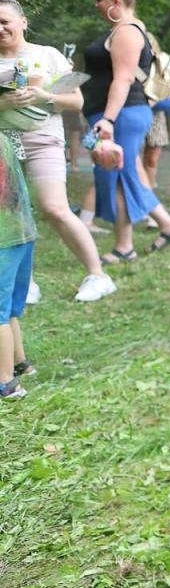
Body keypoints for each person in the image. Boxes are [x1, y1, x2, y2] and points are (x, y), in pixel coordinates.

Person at [0, 0, 116, 301]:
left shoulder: (47, 55)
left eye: (4, 21)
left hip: (42, 140)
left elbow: (75, 100)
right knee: (11, 217)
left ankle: (98, 275)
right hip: (2, 147)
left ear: (23, 22)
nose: (0, 28)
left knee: (54, 208)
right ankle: (27, 284)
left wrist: (44, 96)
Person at [83, 0, 170, 263]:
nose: (95, 6)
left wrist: (108, 120)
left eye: (98, 0)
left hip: (122, 114)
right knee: (124, 174)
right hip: (117, 114)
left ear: (116, 1)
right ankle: (167, 226)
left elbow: (124, 79)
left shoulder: (126, 31)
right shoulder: (122, 30)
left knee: (118, 177)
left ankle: (125, 245)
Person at [0, 126, 36, 399]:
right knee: (9, 307)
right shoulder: (3, 135)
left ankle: (5, 382)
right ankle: (20, 363)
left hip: (3, 240)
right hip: (22, 232)